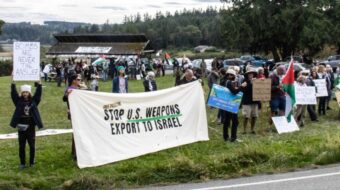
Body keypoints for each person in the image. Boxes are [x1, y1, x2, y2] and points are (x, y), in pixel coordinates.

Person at [11, 79, 43, 169]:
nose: (25, 94)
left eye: (27, 92)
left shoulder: (34, 101)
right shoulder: (18, 101)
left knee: (32, 145)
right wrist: (13, 83)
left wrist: (39, 84)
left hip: (31, 126)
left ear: (29, 93)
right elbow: (13, 94)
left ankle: (32, 162)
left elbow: (38, 95)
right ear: (21, 93)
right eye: (24, 92)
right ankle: (22, 163)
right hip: (21, 126)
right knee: (21, 146)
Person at [63, 74, 81, 160]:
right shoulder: (70, 89)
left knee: (78, 132)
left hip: (80, 113)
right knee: (76, 133)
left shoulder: (79, 89)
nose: (80, 80)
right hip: (73, 114)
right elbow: (65, 98)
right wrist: (67, 94)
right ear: (73, 80)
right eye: (78, 79)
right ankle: (76, 153)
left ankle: (75, 152)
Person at [222, 69, 241, 142]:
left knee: (227, 121)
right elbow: (234, 92)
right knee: (235, 121)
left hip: (225, 103)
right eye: (231, 75)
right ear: (229, 75)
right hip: (231, 104)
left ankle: (226, 137)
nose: (232, 76)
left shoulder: (224, 81)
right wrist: (241, 87)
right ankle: (233, 137)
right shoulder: (229, 82)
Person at [240, 68, 259, 134]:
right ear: (247, 75)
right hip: (247, 101)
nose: (251, 75)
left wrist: (262, 82)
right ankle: (244, 130)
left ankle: (252, 129)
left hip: (255, 101)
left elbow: (260, 89)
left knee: (254, 116)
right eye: (249, 74)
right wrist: (250, 84)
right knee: (246, 116)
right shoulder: (244, 81)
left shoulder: (256, 80)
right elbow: (243, 90)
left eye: (252, 73)